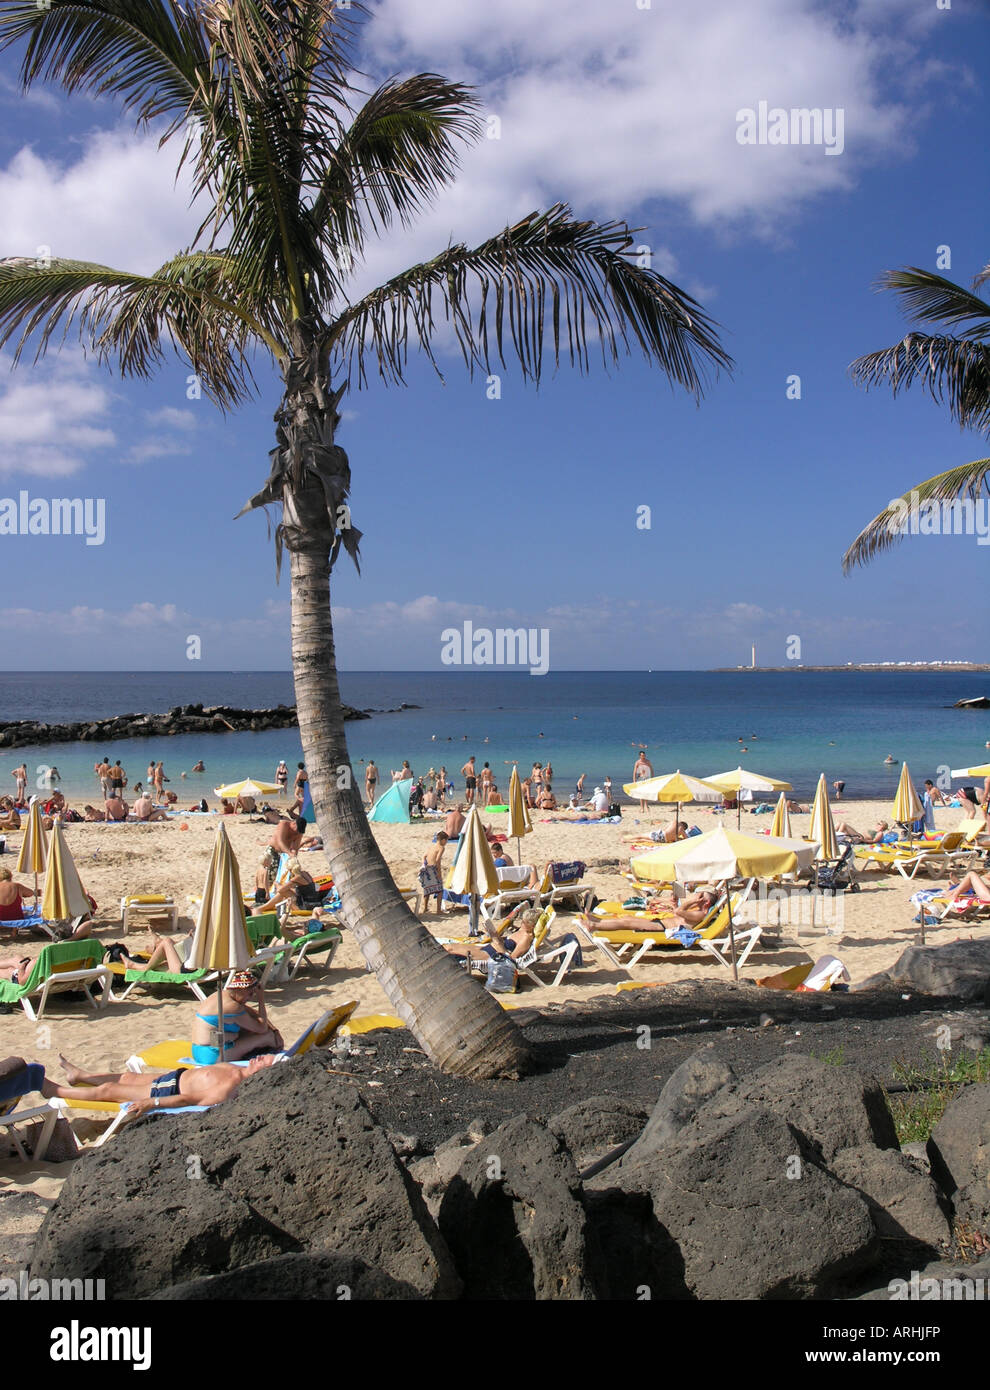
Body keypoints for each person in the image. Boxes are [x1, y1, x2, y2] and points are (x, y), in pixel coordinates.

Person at [40, 1050, 279, 1116]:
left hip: (169, 1090)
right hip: (176, 1076)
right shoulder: (240, 1068)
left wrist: (152, 1102)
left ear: (263, 1074)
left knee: (110, 1090)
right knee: (127, 1077)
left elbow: (190, 1100)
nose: (259, 1057)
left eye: (263, 1061)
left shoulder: (231, 1087)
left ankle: (56, 1090)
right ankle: (80, 1076)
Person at [191, 971, 283, 1065]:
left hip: (199, 1051)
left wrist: (275, 1030)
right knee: (268, 1036)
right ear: (241, 990)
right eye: (250, 994)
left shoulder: (223, 996)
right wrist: (261, 999)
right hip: (213, 1056)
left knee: (244, 1030)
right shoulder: (233, 1007)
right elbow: (262, 1028)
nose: (250, 998)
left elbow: (254, 1013)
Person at [442, 907, 540, 964]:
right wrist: (495, 936)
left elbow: (510, 960)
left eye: (524, 922)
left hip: (492, 955)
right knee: (448, 946)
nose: (521, 923)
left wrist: (497, 942)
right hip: (489, 948)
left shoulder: (526, 939)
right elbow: (504, 944)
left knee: (449, 950)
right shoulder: (521, 931)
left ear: (531, 925)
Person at [418, 832, 449, 913]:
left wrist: (423, 864)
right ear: (443, 840)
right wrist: (439, 872)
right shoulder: (441, 848)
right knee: (440, 890)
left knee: (427, 889)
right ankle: (438, 910)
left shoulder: (432, 846)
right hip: (433, 869)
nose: (446, 842)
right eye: (446, 840)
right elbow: (437, 860)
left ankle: (425, 908)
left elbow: (424, 856)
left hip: (426, 869)